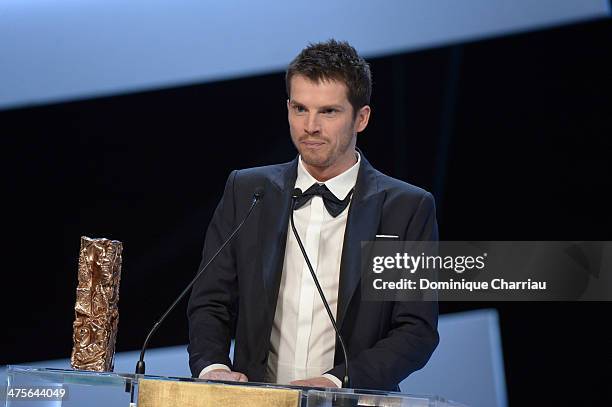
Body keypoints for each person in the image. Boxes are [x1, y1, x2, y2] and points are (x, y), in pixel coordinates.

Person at [187, 39, 439, 391]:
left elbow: (415, 330)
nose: (310, 126)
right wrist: (213, 366)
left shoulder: (405, 208)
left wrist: (337, 382)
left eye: (329, 112)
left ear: (361, 118)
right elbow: (210, 301)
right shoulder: (247, 191)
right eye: (300, 109)